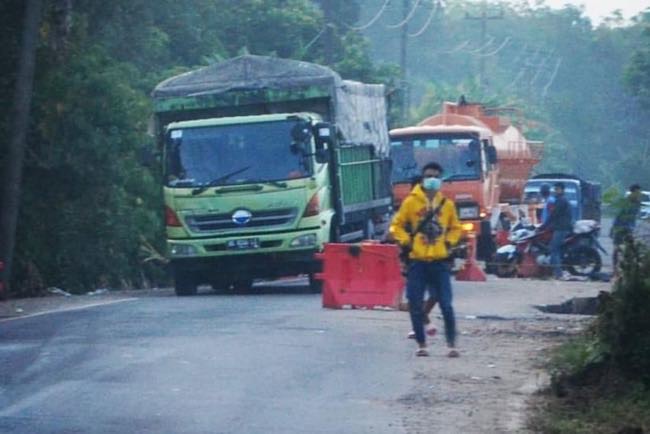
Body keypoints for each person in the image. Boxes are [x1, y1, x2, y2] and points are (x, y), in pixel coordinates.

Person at [390, 162, 462, 357]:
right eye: (429, 176)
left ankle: (451, 344)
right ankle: (422, 345)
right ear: (422, 178)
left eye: (436, 176)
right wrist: (407, 243)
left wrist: (449, 243)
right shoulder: (411, 203)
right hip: (418, 261)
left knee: (446, 304)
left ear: (441, 180)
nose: (432, 179)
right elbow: (396, 226)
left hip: (440, 261)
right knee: (415, 303)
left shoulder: (446, 205)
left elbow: (456, 227)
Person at [539, 182, 573, 279]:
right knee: (555, 249)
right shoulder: (558, 200)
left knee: (553, 249)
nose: (556, 191)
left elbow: (553, 215)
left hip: (561, 228)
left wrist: (544, 226)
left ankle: (558, 274)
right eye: (555, 189)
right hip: (559, 227)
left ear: (562, 190)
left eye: (557, 189)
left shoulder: (561, 201)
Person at [611, 184, 642, 271]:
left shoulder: (637, 204)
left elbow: (636, 217)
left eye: (639, 193)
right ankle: (614, 268)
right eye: (637, 192)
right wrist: (613, 228)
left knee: (632, 249)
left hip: (630, 229)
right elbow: (617, 216)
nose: (638, 194)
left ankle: (630, 268)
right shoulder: (625, 202)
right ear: (632, 193)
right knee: (617, 248)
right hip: (620, 227)